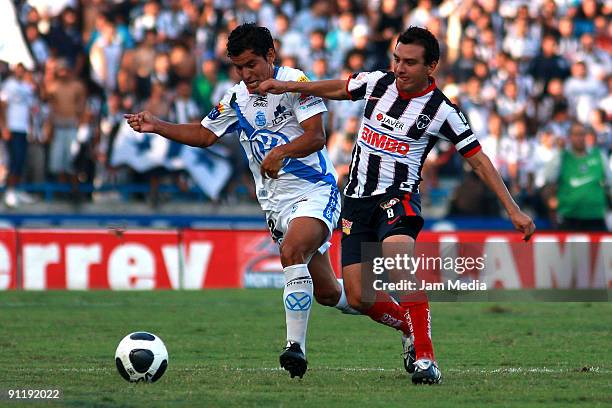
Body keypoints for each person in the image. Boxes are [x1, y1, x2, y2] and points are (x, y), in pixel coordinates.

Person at [126, 23, 414, 379]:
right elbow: (204, 135)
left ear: (270, 56)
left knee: (292, 250)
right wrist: (158, 125)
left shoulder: (295, 82)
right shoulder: (236, 98)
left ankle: (296, 348)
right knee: (328, 293)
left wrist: (280, 152)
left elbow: (316, 136)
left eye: (251, 65)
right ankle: (407, 323)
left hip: (315, 193)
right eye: (238, 67)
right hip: (275, 206)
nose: (246, 74)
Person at [260, 26, 536, 384]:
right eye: (396, 59)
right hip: (356, 201)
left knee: (399, 264)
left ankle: (426, 359)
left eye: (409, 62)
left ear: (431, 66)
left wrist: (512, 209)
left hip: (398, 198)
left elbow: (478, 160)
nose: (400, 68)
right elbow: (338, 88)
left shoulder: (442, 111)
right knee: (358, 297)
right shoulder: (377, 83)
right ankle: (410, 326)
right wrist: (290, 86)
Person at [544, 121, 611, 231]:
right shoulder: (562, 157)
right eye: (576, 134)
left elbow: (609, 182)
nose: (579, 138)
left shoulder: (599, 155)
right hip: (569, 217)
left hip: (596, 216)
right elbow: (548, 178)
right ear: (569, 137)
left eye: (582, 134)